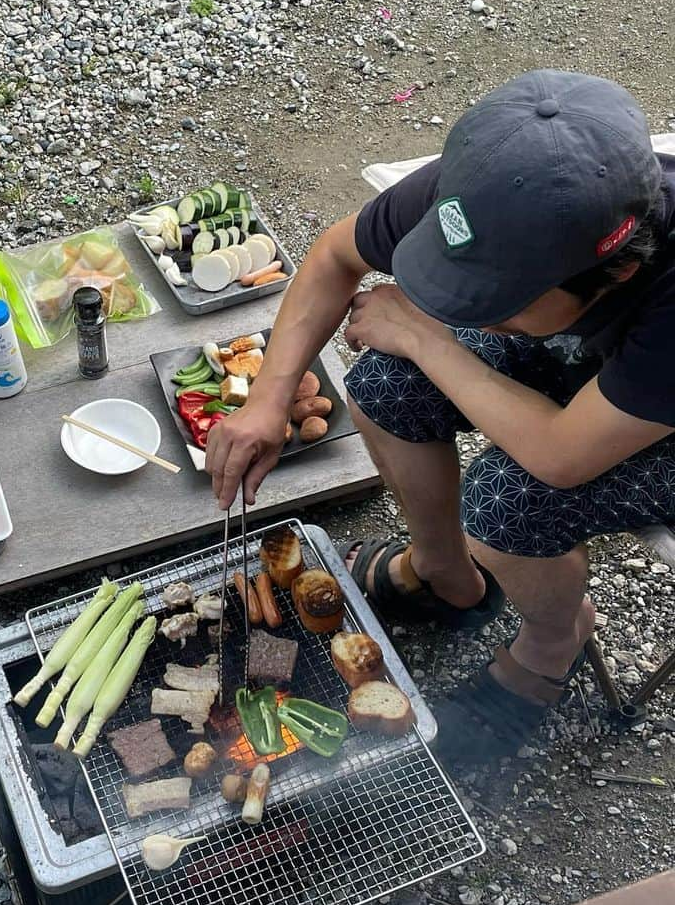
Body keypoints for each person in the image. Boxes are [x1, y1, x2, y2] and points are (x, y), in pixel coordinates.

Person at [205, 70, 675, 764]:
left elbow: (561, 455)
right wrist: (269, 397)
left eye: (497, 298)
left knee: (510, 501)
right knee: (386, 382)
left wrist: (426, 335)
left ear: (616, 274)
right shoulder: (504, 189)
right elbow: (337, 256)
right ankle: (446, 576)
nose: (469, 310)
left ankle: (553, 644)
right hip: (592, 365)